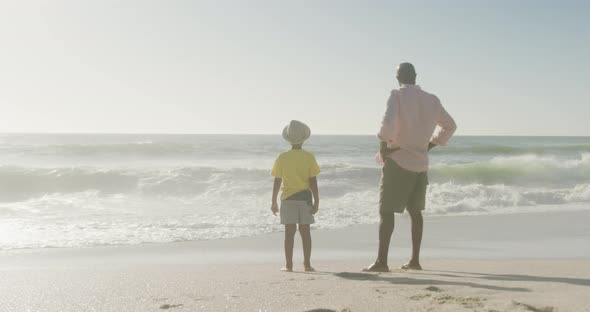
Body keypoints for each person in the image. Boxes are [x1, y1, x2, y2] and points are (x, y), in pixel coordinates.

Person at [364, 63, 457, 272]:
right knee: (415, 212)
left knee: (386, 211)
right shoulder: (432, 100)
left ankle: (381, 262)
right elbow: (450, 125)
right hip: (420, 164)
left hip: (398, 160)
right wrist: (429, 145)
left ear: (398, 78)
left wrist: (383, 148)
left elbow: (387, 124)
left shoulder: (397, 95)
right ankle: (414, 260)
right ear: (415, 76)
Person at [271, 120, 320, 272]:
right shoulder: (309, 157)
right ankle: (307, 264)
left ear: (288, 139)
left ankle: (289, 265)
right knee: (305, 233)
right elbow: (313, 181)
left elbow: (277, 180)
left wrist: (273, 201)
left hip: (287, 199)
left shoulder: (282, 157)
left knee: (289, 234)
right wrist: (317, 201)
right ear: (304, 138)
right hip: (305, 198)